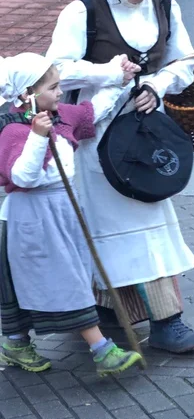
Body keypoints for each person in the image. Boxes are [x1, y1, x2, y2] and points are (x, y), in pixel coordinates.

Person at [46, 0, 194, 354]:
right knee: (104, 226)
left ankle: (151, 318)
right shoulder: (82, 11)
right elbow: (54, 70)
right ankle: (132, 315)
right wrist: (109, 75)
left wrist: (156, 84)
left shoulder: (166, 5)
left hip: (145, 133)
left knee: (147, 221)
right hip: (95, 137)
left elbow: (185, 62)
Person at [0, 53, 143, 376]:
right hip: (32, 218)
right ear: (28, 94)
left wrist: (119, 79)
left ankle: (15, 343)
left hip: (63, 211)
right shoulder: (13, 132)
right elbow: (23, 177)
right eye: (53, 88)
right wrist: (37, 137)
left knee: (41, 279)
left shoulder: (61, 115)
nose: (60, 92)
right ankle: (103, 350)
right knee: (66, 279)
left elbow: (93, 111)